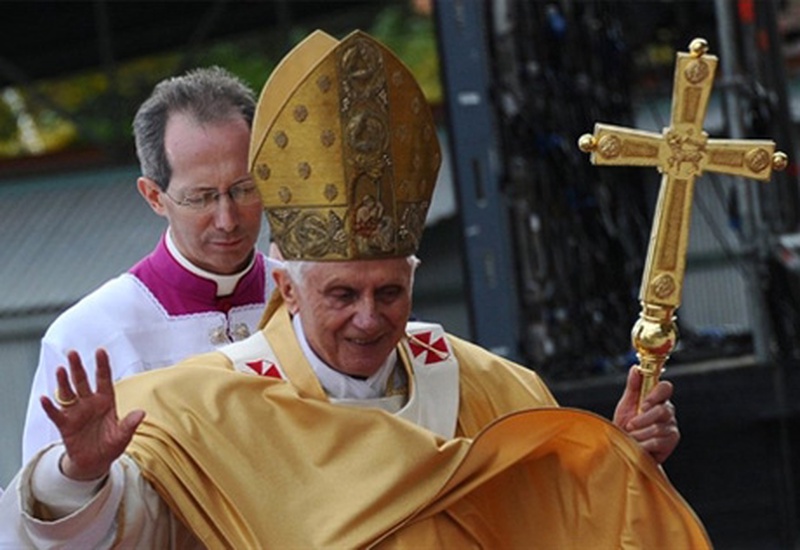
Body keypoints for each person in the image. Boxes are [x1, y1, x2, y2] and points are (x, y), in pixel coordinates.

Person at [0, 30, 709, 547]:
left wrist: (612, 463)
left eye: (389, 293)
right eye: (342, 296)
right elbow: (127, 530)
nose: (369, 320)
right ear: (293, 288)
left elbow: (552, 519)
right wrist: (75, 476)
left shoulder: (485, 385)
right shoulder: (194, 398)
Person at [20, 66, 273, 464]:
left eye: (244, 189)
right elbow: (44, 512)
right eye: (201, 197)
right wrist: (78, 476)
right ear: (154, 196)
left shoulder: (309, 300)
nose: (227, 219)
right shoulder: (88, 334)